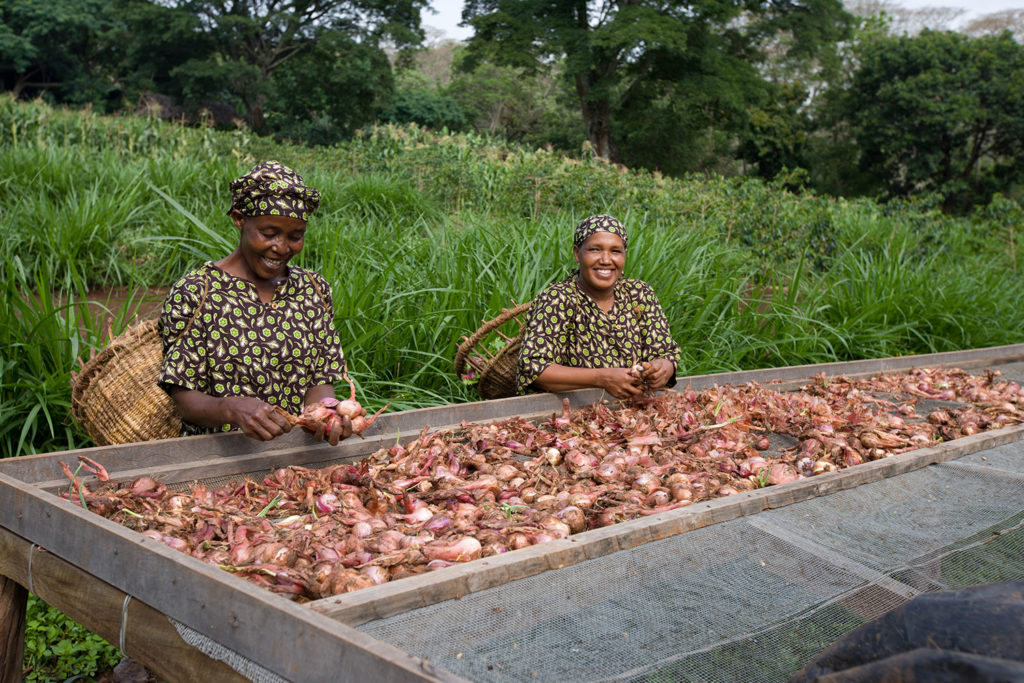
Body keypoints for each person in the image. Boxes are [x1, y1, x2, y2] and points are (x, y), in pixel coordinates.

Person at [158, 160, 352, 444]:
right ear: (239, 219)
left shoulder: (312, 289)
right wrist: (230, 408)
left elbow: (320, 380)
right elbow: (183, 398)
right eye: (269, 233)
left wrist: (325, 413)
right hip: (219, 459)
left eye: (295, 237)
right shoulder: (197, 292)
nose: (282, 247)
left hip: (296, 455)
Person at [516, 214, 681, 399]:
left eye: (615, 251)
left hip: (636, 409)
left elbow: (666, 352)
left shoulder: (639, 293)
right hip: (573, 412)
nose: (605, 259)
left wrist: (662, 368)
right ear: (577, 253)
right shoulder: (558, 298)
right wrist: (601, 378)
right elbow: (534, 367)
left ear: (624, 254)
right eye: (595, 249)